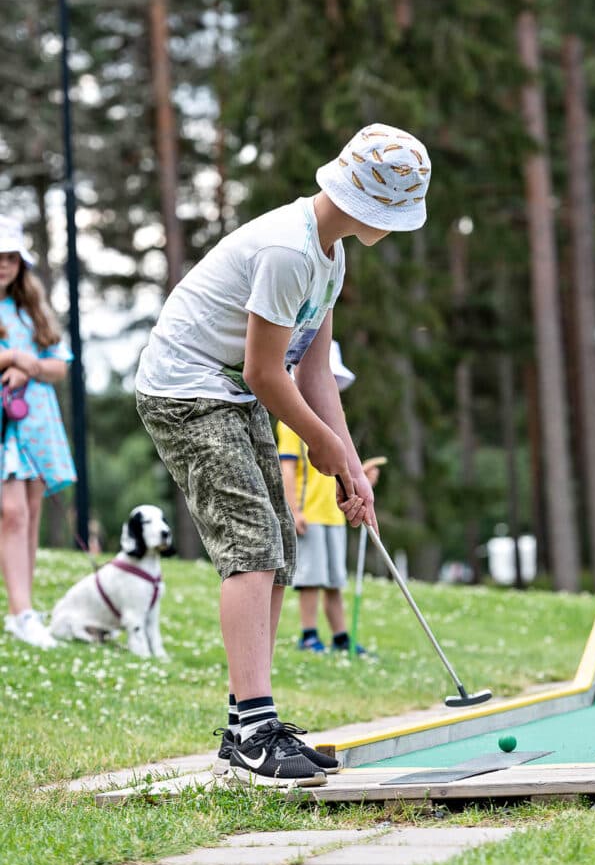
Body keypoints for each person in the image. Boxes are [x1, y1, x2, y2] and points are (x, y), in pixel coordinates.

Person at [135, 122, 431, 786]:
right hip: (185, 388)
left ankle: (247, 725)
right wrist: (321, 445)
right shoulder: (286, 251)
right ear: (363, 205)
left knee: (276, 549)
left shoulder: (329, 253)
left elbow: (315, 372)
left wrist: (349, 464)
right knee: (249, 544)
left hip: (230, 391)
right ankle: (255, 730)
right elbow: (267, 373)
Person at [0, 218, 77, 649]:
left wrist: (24, 364)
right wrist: (11, 356)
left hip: (35, 421)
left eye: (11, 257)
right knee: (11, 513)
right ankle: (21, 611)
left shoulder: (33, 309)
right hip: (3, 426)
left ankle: (23, 609)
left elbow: (57, 366)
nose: (4, 265)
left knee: (29, 513)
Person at [277, 340, 365, 654]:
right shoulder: (292, 424)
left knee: (334, 581)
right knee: (311, 579)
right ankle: (309, 635)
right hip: (309, 514)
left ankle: (341, 638)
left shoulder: (334, 427)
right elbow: (287, 469)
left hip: (332, 514)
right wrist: (293, 510)